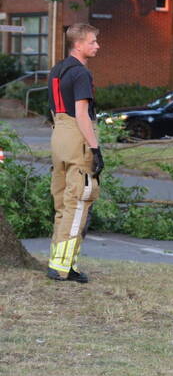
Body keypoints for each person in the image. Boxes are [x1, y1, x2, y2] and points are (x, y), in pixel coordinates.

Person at [46, 23, 103, 283]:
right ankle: (64, 268)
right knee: (79, 202)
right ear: (78, 44)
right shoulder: (80, 73)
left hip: (58, 135)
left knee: (61, 203)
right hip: (77, 137)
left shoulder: (56, 70)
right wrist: (95, 148)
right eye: (92, 42)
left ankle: (56, 261)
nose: (97, 46)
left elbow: (52, 109)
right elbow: (82, 114)